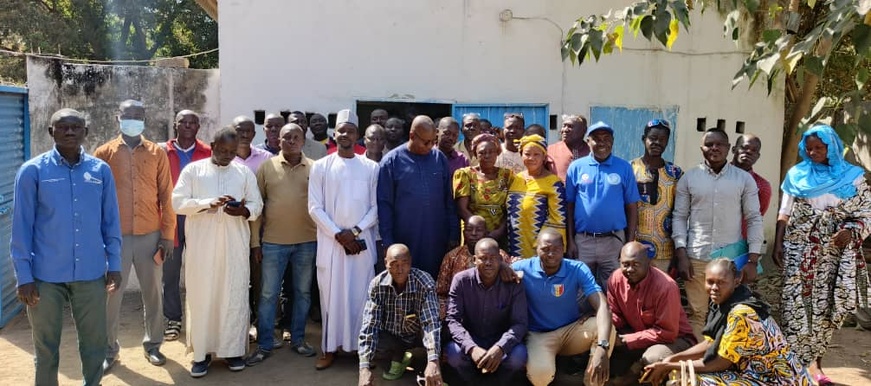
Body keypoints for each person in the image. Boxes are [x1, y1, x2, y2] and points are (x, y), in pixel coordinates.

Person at [11, 108, 123, 386]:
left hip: (91, 274)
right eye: (63, 127)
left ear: (86, 131)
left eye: (76, 127)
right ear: (51, 132)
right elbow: (21, 228)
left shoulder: (100, 170)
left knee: (94, 344)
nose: (70, 132)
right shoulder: (32, 171)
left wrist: (116, 265)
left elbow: (111, 221)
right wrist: (24, 277)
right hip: (45, 277)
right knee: (46, 348)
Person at [774, 124, 871, 385]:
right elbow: (785, 212)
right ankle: (793, 366)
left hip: (833, 255)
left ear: (833, 147)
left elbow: (865, 214)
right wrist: (778, 243)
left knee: (824, 310)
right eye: (809, 147)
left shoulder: (853, 177)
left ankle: (817, 366)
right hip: (799, 250)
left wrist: (852, 231)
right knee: (794, 306)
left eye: (819, 147)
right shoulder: (797, 174)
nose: (813, 151)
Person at [172, 127, 263, 378]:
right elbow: (177, 202)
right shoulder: (193, 170)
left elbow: (257, 204)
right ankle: (201, 355)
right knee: (203, 297)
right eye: (223, 151)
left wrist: (244, 212)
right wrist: (206, 204)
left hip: (234, 246)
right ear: (212, 145)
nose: (227, 156)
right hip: (202, 247)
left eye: (232, 152)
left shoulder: (243, 172)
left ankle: (233, 351)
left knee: (233, 296)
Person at [94, 99, 175, 371]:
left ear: (144, 119)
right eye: (128, 115)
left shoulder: (156, 152)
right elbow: (95, 198)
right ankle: (109, 349)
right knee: (110, 295)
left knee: (153, 293)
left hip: (149, 235)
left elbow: (166, 195)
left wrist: (167, 235)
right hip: (114, 239)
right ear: (118, 117)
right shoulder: (104, 152)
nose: (133, 119)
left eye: (138, 115)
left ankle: (153, 345)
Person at [644, 259, 812, 386]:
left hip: (776, 379)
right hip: (753, 372)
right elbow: (711, 344)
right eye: (710, 282)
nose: (714, 288)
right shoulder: (724, 302)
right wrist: (670, 360)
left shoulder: (742, 313)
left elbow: (719, 362)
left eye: (721, 282)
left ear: (736, 281)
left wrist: (672, 365)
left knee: (691, 380)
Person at [672, 129, 764, 336]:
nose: (714, 148)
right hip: (697, 257)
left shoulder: (743, 180)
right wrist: (681, 254)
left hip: (730, 260)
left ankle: (722, 363)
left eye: (719, 144)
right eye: (709, 144)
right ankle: (700, 365)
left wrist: (752, 260)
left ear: (729, 148)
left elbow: (754, 218)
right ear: (702, 148)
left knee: (729, 312)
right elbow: (679, 217)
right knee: (698, 313)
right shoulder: (689, 178)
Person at [307, 110, 380, 370]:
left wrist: (355, 232)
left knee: (362, 297)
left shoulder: (371, 167)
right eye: (341, 130)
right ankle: (329, 348)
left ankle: (362, 350)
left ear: (358, 135)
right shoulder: (321, 167)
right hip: (332, 245)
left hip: (360, 246)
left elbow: (375, 207)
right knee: (330, 298)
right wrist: (339, 234)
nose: (345, 134)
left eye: (350, 130)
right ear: (334, 134)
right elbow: (315, 207)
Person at [245, 123, 319, 366]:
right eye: (287, 137)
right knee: (268, 294)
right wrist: (256, 243)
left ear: (303, 140)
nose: (291, 141)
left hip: (307, 242)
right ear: (278, 141)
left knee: (302, 293)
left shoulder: (314, 168)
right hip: (273, 243)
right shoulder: (267, 167)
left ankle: (298, 339)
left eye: (296, 137)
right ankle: (265, 343)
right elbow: (256, 207)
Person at [512, 229, 613, 386]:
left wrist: (603, 346)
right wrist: (505, 269)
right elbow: (497, 268)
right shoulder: (522, 268)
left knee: (607, 330)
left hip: (571, 331)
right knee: (541, 377)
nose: (551, 254)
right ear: (536, 248)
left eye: (556, 249)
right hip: (539, 335)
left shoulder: (577, 268)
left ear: (563, 249)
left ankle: (592, 383)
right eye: (545, 249)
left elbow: (602, 305)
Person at [378, 115, 459, 279]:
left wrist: (453, 234)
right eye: (425, 142)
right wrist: (388, 241)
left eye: (433, 141)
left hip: (436, 237)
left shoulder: (439, 159)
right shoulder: (391, 162)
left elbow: (448, 200)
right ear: (412, 136)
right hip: (405, 238)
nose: (430, 146)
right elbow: (384, 205)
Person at [606, 242, 696, 385]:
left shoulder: (665, 286)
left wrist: (625, 340)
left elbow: (667, 333)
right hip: (638, 335)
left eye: (636, 264)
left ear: (648, 262)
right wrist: (605, 328)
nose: (630, 269)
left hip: (674, 340)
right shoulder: (615, 279)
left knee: (653, 357)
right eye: (625, 264)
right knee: (602, 340)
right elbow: (616, 316)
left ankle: (636, 376)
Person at [565, 121, 640, 289]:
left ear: (612, 141)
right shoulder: (576, 167)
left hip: (614, 241)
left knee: (616, 287)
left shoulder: (624, 167)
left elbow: (632, 207)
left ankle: (613, 316)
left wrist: (628, 242)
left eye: (606, 138)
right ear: (588, 142)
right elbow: (569, 206)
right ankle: (585, 317)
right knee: (581, 288)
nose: (602, 143)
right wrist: (570, 240)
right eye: (596, 139)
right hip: (583, 240)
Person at [445, 238, 528, 386]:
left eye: (493, 258)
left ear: (501, 259)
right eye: (483, 258)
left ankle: (499, 381)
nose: (488, 263)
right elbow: (453, 320)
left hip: (500, 339)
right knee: (454, 353)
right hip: (472, 337)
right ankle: (472, 381)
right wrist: (472, 348)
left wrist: (500, 347)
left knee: (518, 356)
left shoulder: (513, 283)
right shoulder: (461, 281)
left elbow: (520, 323)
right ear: (475, 260)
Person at [358, 244, 443, 386]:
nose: (400, 269)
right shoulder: (377, 285)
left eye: (404, 263)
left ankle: (433, 370)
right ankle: (399, 356)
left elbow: (431, 322)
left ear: (411, 262)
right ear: (386, 263)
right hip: (392, 336)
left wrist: (433, 360)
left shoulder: (424, 282)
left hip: (417, 335)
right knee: (374, 347)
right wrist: (364, 369)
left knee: (442, 334)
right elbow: (370, 325)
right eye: (394, 264)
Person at [161, 110, 211, 342]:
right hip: (170, 219)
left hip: (199, 217)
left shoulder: (207, 152)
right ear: (175, 125)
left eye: (193, 123)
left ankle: (200, 316)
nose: (188, 126)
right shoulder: (161, 151)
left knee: (200, 270)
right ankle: (173, 318)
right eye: (184, 122)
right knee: (169, 273)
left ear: (198, 127)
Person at [631, 119, 683, 271]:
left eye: (662, 139)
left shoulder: (675, 173)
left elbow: (680, 211)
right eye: (653, 138)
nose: (657, 143)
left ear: (667, 142)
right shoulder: (629, 168)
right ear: (644, 139)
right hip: (635, 246)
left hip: (664, 249)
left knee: (660, 291)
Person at [435, 215, 511, 318]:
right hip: (458, 313)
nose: (473, 234)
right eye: (469, 230)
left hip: (492, 314)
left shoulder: (499, 256)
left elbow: (516, 271)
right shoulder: (452, 257)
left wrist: (504, 265)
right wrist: (448, 314)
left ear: (486, 233)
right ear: (463, 233)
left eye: (478, 230)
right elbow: (441, 293)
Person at [506, 134, 567, 259]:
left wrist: (543, 246)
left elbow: (557, 221)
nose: (531, 158)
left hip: (540, 249)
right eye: (527, 154)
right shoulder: (516, 178)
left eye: (536, 154)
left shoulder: (553, 183)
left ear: (544, 157)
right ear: (521, 155)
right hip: (512, 246)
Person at [453, 134, 513, 242]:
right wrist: (480, 231)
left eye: (491, 152)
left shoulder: (507, 176)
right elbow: (462, 209)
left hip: (500, 234)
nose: (487, 156)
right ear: (475, 154)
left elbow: (510, 208)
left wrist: (500, 231)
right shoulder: (465, 174)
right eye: (482, 152)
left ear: (497, 153)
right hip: (474, 235)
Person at [731, 134, 772, 236]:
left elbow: (756, 218)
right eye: (744, 147)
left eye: (754, 150)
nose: (749, 152)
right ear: (734, 149)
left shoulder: (762, 186)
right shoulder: (715, 176)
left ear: (758, 156)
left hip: (740, 245)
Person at [548, 114, 590, 182]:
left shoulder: (592, 152)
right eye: (564, 126)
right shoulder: (550, 150)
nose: (565, 130)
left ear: (583, 130)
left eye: (570, 126)